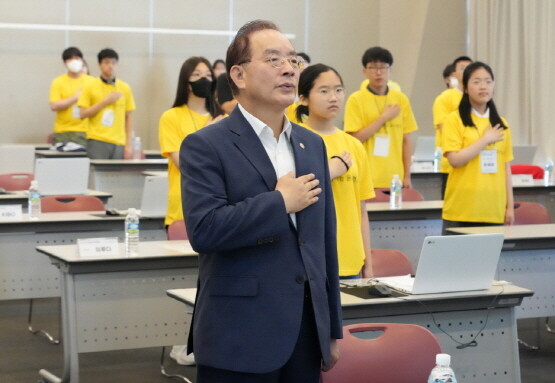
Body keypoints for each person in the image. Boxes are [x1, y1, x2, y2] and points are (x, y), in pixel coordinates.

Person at [180, 20, 342, 382]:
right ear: (238, 74)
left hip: (305, 332)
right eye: (273, 59)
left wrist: (331, 326)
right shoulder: (206, 144)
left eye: (293, 60)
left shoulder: (311, 144)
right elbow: (204, 231)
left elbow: (323, 242)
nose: (288, 68)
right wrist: (279, 202)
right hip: (239, 334)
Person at [297, 63, 375, 279]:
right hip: (311, 262)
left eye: (338, 90)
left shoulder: (354, 145)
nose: (334, 97)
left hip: (351, 261)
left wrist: (367, 263)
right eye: (324, 91)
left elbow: (361, 210)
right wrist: (328, 171)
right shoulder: (295, 140)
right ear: (304, 98)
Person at [441, 61, 514, 234]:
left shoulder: (501, 123)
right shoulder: (454, 120)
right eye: (477, 81)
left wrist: (509, 206)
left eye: (488, 81)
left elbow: (506, 168)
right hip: (462, 209)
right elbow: (455, 160)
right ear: (465, 88)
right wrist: (484, 141)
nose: (483, 86)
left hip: (493, 210)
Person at [159, 57, 223, 228]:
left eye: (208, 75)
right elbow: (184, 164)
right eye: (197, 74)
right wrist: (207, 132)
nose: (204, 79)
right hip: (182, 207)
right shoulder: (170, 117)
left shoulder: (223, 119)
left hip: (219, 207)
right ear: (186, 82)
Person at [344, 46, 418, 189]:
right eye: (373, 68)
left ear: (390, 70)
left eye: (383, 68)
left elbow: (407, 140)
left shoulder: (400, 99)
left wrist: (407, 175)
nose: (378, 72)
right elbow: (354, 139)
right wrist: (383, 118)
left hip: (395, 178)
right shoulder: (356, 99)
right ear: (364, 71)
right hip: (366, 177)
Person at [78, 48, 136, 159]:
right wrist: (105, 102)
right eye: (107, 62)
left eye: (114, 63)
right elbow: (82, 113)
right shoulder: (90, 86)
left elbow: (128, 117)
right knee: (97, 174)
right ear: (100, 64)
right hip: (97, 139)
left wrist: (129, 144)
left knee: (117, 175)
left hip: (119, 142)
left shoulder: (124, 87)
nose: (111, 66)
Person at [433, 56, 473, 176]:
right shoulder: (445, 98)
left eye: (470, 68)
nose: (467, 72)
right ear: (454, 75)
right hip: (450, 163)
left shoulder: (477, 97)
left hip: (473, 161)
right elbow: (445, 129)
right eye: (462, 68)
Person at [49, 47, 93, 147]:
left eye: (77, 58)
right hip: (62, 131)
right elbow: (54, 105)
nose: (74, 61)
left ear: (82, 61)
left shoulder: (92, 81)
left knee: (83, 162)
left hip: (85, 131)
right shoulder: (58, 82)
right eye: (70, 59)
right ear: (64, 63)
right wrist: (75, 97)